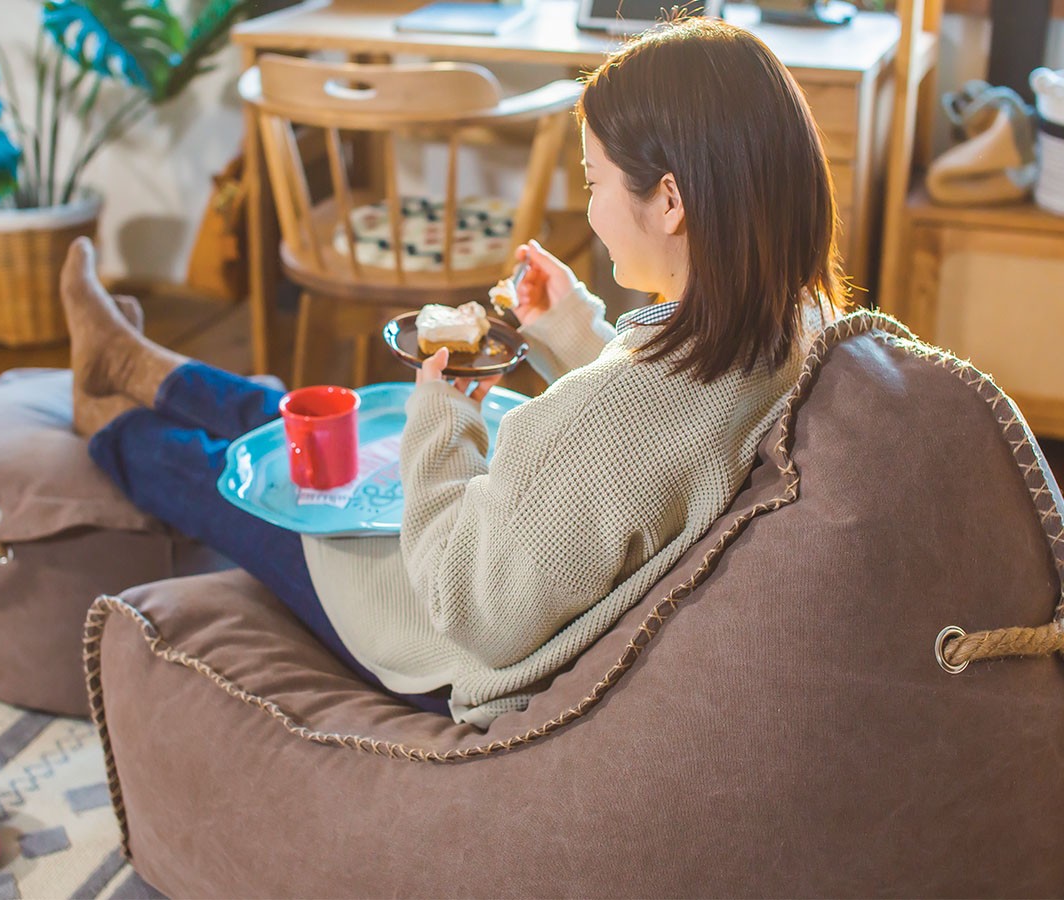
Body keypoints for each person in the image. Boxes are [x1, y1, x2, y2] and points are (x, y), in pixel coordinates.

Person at [65, 15, 848, 727]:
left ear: (670, 200)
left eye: (593, 182)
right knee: (314, 425)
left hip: (435, 638)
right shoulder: (796, 327)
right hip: (517, 561)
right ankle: (135, 363)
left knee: (252, 488)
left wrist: (441, 420)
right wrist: (569, 330)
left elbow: (466, 603)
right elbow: (651, 433)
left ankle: (113, 423)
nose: (589, 210)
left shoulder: (604, 414)